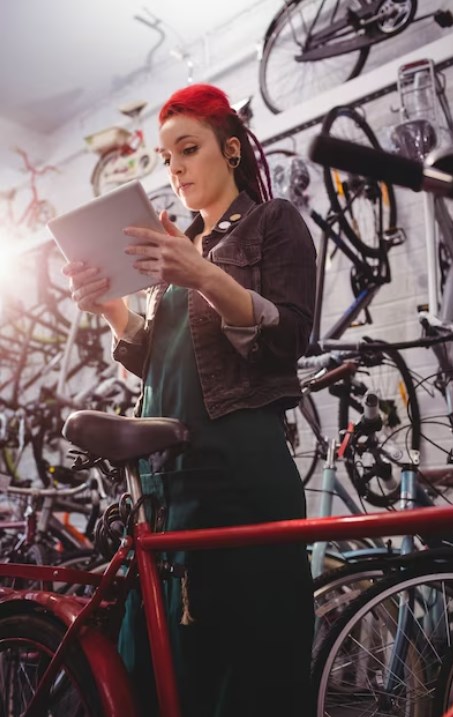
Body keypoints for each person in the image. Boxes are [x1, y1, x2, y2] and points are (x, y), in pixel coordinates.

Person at [63, 83, 317, 717]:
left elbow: (286, 340)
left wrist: (201, 272)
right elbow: (158, 363)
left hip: (239, 473)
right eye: (165, 155)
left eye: (189, 148)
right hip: (167, 482)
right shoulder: (170, 247)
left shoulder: (271, 222)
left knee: (253, 664)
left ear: (230, 151)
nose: (174, 167)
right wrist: (113, 308)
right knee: (164, 665)